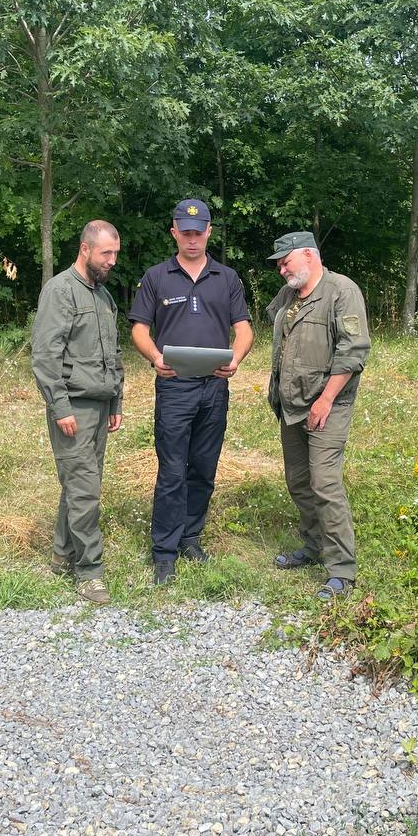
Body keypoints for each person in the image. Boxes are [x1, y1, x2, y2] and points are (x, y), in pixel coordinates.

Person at [129, 199, 254, 585]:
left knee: (203, 467)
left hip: (214, 386)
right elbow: (139, 329)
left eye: (198, 232)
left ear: (209, 232)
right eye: (185, 232)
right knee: (172, 470)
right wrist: (155, 358)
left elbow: (244, 329)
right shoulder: (156, 277)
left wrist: (236, 358)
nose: (192, 238)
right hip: (174, 387)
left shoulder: (227, 278)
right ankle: (164, 552)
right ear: (174, 233)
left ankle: (190, 537)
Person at [264, 231, 370, 600]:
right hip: (291, 405)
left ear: (309, 254)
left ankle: (341, 570)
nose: (281, 269)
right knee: (298, 482)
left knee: (325, 485)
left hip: (328, 405)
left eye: (285, 261)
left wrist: (325, 399)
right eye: (279, 264)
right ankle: (313, 546)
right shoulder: (289, 295)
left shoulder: (341, 291)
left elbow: (353, 351)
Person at [30, 220, 124, 604]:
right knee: (85, 491)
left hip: (100, 407)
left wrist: (116, 401)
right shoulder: (60, 291)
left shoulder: (104, 297)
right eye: (106, 253)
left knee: (80, 485)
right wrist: (60, 407)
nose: (112, 261)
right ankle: (89, 573)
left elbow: (114, 353)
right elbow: (45, 355)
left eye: (115, 253)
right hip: (73, 409)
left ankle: (61, 555)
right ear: (85, 249)